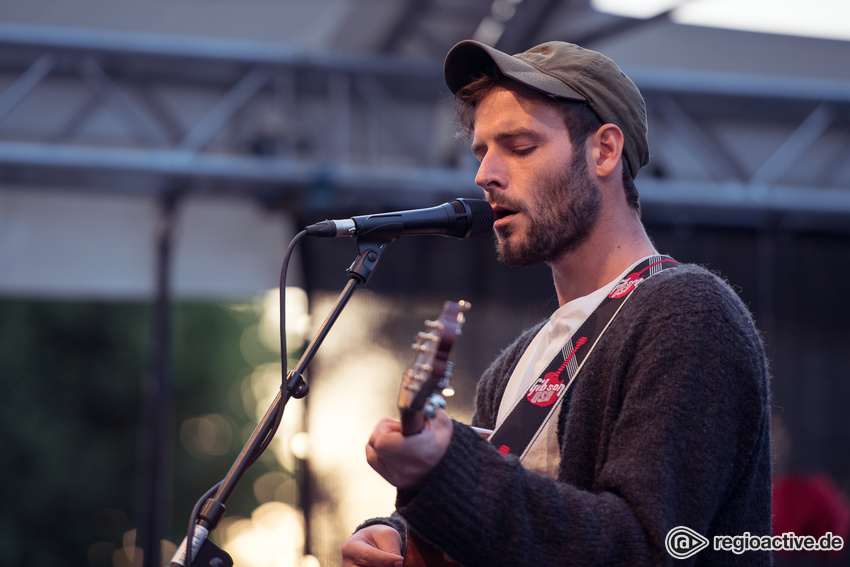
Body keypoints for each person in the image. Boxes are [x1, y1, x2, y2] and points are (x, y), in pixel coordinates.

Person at [341, 40, 771, 567]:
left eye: (519, 147)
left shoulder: (689, 313)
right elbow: (505, 531)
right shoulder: (514, 366)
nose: (484, 176)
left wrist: (450, 471)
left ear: (604, 151)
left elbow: (645, 547)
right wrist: (401, 534)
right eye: (481, 152)